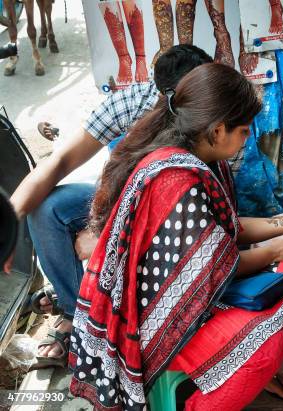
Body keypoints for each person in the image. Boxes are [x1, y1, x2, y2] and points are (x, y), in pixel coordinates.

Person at [69, 63, 283, 410]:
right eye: (244, 129)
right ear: (218, 130)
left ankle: (226, 370)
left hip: (187, 297)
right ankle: (198, 396)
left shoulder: (200, 157)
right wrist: (271, 253)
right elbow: (212, 270)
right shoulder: (176, 178)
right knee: (266, 349)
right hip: (152, 323)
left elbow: (230, 230)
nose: (249, 137)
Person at [6, 45, 214, 367]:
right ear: (162, 93)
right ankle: (79, 318)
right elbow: (59, 162)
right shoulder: (133, 103)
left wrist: (107, 234)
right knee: (48, 208)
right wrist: (6, 226)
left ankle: (115, 326)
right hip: (125, 199)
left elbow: (189, 209)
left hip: (177, 218)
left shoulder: (216, 119)